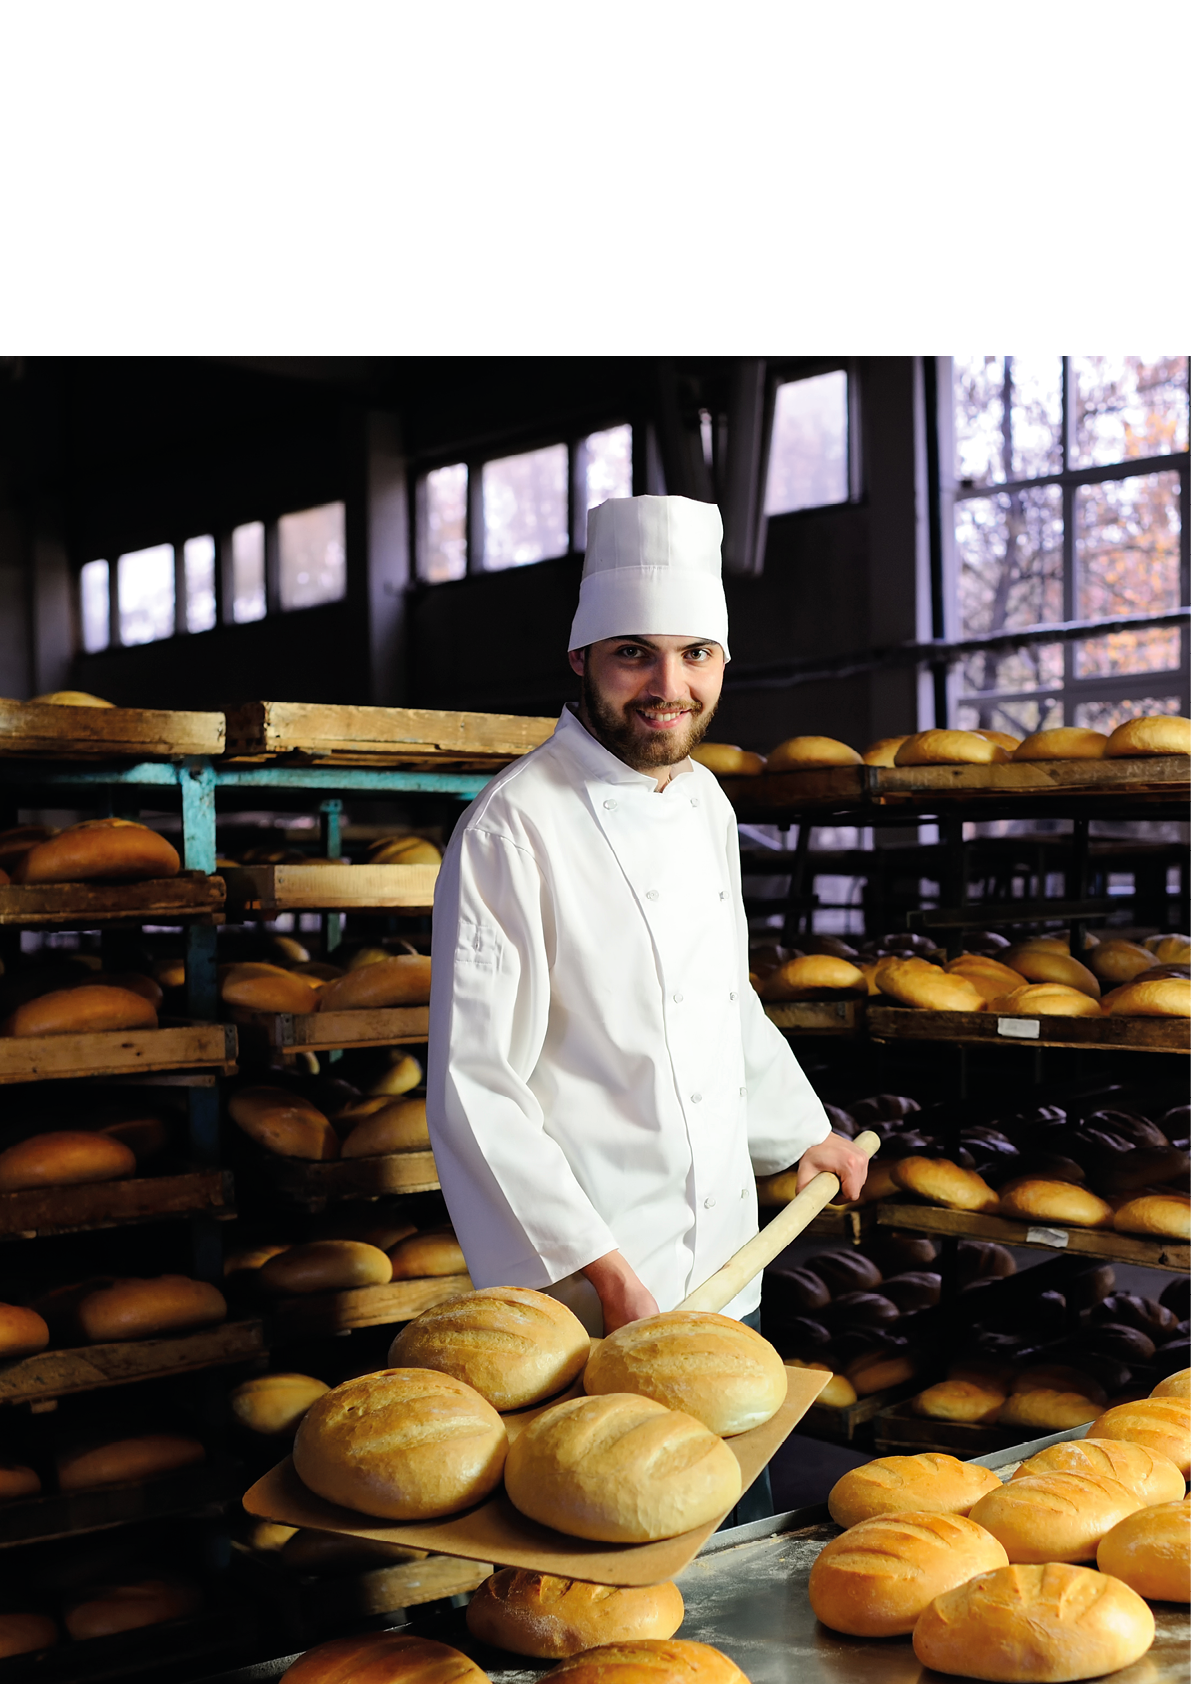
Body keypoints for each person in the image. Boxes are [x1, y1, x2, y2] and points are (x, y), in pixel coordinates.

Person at [426, 494, 868, 1342]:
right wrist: (604, 1270)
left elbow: (719, 1002)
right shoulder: (514, 825)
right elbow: (475, 1087)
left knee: (734, 1471)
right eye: (635, 655)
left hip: (730, 1261)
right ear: (581, 656)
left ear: (723, 661)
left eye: (695, 654)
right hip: (595, 1281)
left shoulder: (703, 800)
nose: (669, 689)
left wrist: (804, 1132)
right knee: (611, 1475)